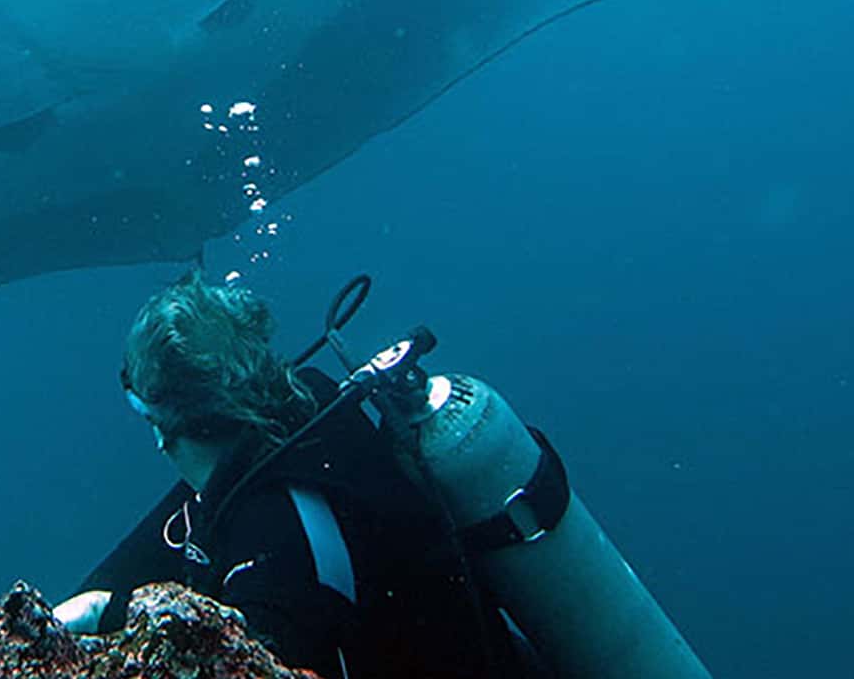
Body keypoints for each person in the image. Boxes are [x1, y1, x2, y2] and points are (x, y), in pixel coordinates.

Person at [55, 271, 536, 679]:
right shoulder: (293, 423)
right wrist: (93, 611)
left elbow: (258, 657)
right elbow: (163, 545)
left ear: (164, 426)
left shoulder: (280, 535)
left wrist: (108, 615)